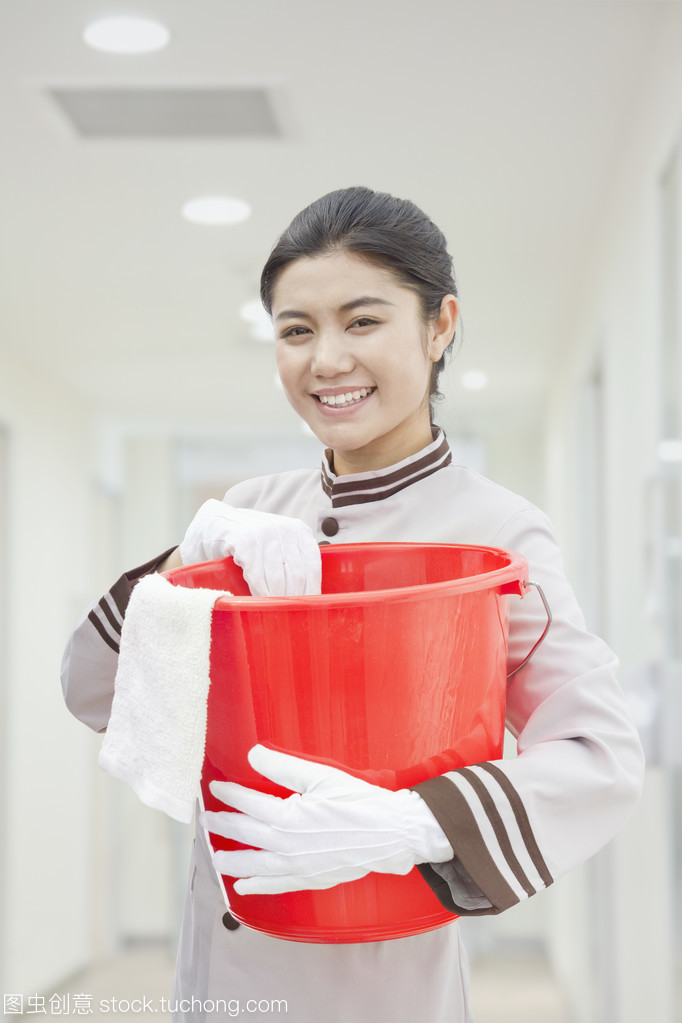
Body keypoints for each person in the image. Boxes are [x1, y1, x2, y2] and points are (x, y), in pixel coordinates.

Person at [61, 186, 645, 1022]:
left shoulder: (499, 532)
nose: (325, 359)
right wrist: (184, 562)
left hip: (379, 985)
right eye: (296, 330)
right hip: (218, 974)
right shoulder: (251, 509)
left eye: (362, 320)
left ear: (440, 325)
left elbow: (599, 754)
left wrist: (415, 822)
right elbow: (93, 692)